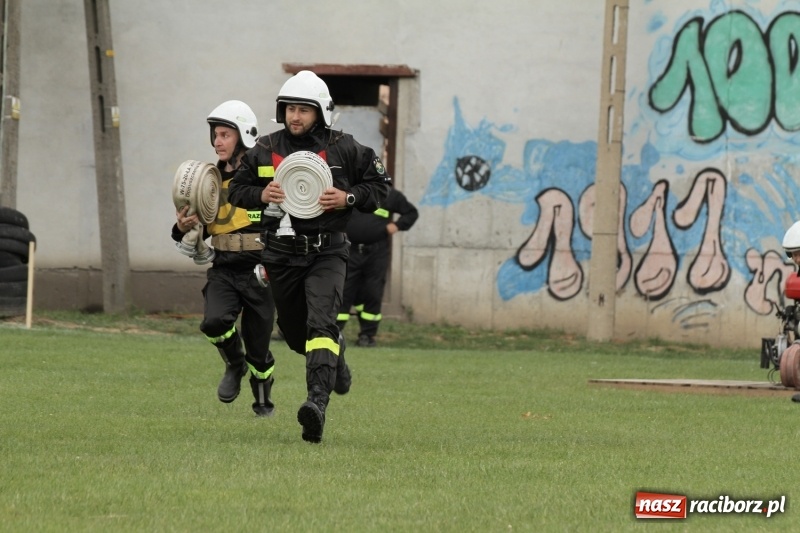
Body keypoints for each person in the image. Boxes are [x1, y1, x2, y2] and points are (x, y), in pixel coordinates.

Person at [228, 70, 391, 443]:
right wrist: (260, 196)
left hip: (327, 253)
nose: (295, 117)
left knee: (321, 325)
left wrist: (348, 197)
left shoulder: (345, 147)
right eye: (290, 109)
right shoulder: (264, 148)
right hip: (281, 257)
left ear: (321, 112)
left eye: (304, 109)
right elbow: (236, 190)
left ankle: (315, 405)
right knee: (297, 337)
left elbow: (380, 187)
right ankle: (338, 356)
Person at [171, 100, 277, 417]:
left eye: (224, 135)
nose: (217, 141)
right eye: (215, 135)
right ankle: (234, 363)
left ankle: (263, 399)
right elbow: (187, 233)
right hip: (224, 268)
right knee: (213, 322)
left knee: (260, 350)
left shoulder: (266, 176)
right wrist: (182, 227)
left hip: (260, 270)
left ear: (244, 135)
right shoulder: (207, 181)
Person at [337, 188, 418, 347]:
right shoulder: (351, 192)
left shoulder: (389, 194)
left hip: (376, 252)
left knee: (373, 292)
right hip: (350, 250)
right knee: (343, 291)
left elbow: (411, 213)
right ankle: (334, 333)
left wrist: (396, 226)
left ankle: (367, 336)